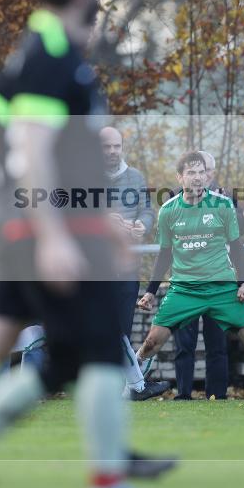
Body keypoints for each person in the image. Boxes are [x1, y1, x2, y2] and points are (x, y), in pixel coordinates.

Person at [0, 0, 172, 488]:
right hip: (49, 225)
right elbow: (33, 150)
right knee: (97, 344)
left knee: (64, 354)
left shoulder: (42, 46)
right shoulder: (49, 54)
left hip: (57, 221)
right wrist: (56, 234)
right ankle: (106, 478)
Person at [135, 151, 244, 400]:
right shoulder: (168, 210)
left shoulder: (223, 204)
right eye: (191, 173)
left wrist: (243, 283)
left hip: (222, 288)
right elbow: (164, 254)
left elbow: (237, 247)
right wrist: (150, 291)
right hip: (184, 289)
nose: (197, 177)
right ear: (180, 177)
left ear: (207, 175)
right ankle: (131, 388)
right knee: (152, 342)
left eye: (201, 172)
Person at [100, 126, 169, 401]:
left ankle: (123, 389)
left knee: (122, 329)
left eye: (116, 146)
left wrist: (143, 224)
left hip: (127, 265)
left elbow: (148, 210)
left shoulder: (136, 177)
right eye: (106, 146)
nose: (112, 151)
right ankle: (131, 387)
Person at [172, 150, 234, 400]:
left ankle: (217, 395)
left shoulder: (226, 199)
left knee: (217, 344)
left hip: (217, 282)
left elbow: (242, 230)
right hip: (186, 282)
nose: (201, 175)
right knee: (183, 345)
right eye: (195, 170)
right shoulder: (176, 201)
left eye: (205, 169)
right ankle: (183, 394)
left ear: (212, 173)